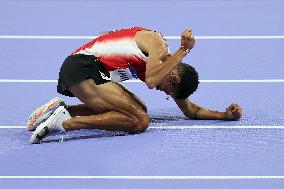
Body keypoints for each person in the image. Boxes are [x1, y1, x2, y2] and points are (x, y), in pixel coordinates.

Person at [28, 27, 242, 144]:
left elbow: (191, 110)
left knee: (140, 110)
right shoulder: (159, 45)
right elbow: (151, 82)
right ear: (174, 78)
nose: (162, 90)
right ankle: (66, 123)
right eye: (167, 90)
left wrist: (224, 115)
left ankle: (61, 111)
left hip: (93, 72)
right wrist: (184, 50)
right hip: (83, 69)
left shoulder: (158, 67)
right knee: (139, 120)